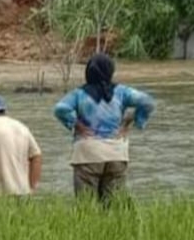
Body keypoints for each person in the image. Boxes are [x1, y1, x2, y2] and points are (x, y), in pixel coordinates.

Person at [54, 53, 155, 203]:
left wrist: (76, 124)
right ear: (110, 72)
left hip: (88, 153)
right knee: (114, 206)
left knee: (86, 206)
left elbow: (60, 108)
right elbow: (147, 102)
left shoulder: (79, 94)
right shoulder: (121, 92)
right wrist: (131, 121)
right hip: (116, 152)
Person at [0, 94, 42, 195]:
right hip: (23, 191)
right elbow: (36, 156)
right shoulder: (21, 126)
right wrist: (32, 187)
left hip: (0, 193)